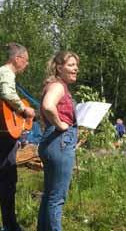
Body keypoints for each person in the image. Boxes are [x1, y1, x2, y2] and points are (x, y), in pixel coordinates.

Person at [0, 43, 35, 231]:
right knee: (8, 178)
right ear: (17, 58)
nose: (26, 65)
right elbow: (6, 93)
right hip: (2, 132)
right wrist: (24, 109)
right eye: (26, 60)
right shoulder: (6, 73)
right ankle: (10, 225)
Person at [38, 51, 79, 231]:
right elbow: (48, 105)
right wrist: (61, 125)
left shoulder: (55, 85)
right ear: (59, 68)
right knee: (57, 198)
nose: (75, 68)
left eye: (76, 65)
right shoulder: (58, 86)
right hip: (60, 140)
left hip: (52, 141)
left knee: (49, 196)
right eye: (71, 65)